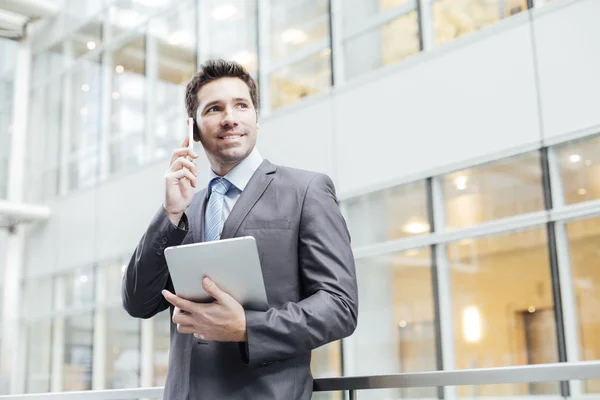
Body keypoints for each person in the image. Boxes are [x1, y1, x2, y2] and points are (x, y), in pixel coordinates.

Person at [122, 59, 358, 400]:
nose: (230, 118)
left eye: (241, 105)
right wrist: (170, 213)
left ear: (257, 119)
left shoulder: (306, 191)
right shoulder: (184, 208)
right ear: (194, 130)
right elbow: (137, 302)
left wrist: (248, 328)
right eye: (214, 109)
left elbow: (339, 306)